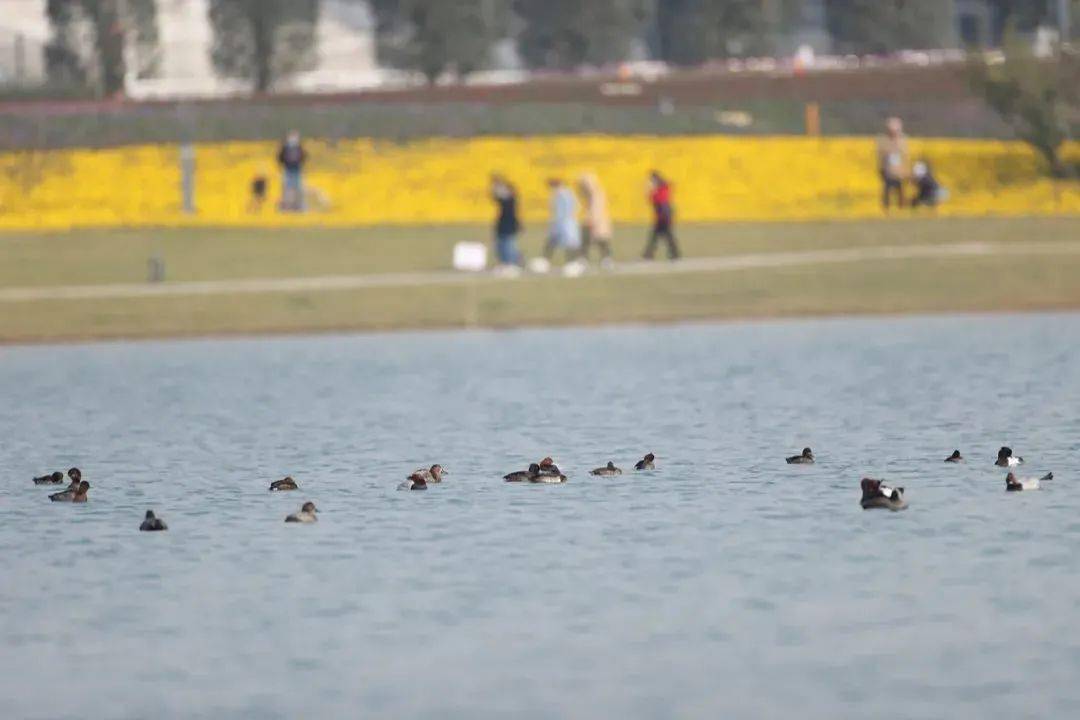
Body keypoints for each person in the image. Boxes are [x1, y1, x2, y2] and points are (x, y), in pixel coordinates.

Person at [578, 173, 613, 267]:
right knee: (588, 240)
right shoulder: (591, 194)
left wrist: (592, 220)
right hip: (594, 219)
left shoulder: (596, 194)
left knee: (600, 240)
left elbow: (596, 208)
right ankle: (585, 258)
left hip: (597, 220)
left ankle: (605, 259)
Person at [643, 170, 679, 260]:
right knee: (660, 236)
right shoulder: (661, 189)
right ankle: (649, 253)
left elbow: (659, 201)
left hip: (663, 217)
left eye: (652, 180)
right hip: (662, 216)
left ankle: (650, 254)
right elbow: (652, 199)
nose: (650, 182)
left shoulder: (661, 189)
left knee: (664, 236)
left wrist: (650, 191)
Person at [544, 178, 581, 263]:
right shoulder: (556, 194)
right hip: (559, 222)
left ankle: (573, 261)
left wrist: (570, 217)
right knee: (552, 240)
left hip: (567, 222)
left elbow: (575, 206)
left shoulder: (566, 193)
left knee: (570, 242)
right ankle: (546, 260)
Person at [876, 117, 910, 210]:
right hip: (888, 172)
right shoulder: (884, 141)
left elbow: (905, 157)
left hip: (899, 172)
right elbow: (881, 156)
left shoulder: (902, 140)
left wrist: (905, 171)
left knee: (901, 191)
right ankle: (886, 209)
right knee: (887, 190)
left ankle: (902, 209)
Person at [490, 175, 522, 267]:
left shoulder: (510, 199)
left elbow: (501, 195)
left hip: (509, 225)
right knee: (501, 246)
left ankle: (513, 263)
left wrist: (498, 185)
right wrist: (496, 185)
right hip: (502, 225)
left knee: (509, 245)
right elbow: (496, 196)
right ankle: (505, 263)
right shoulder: (505, 199)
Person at [277, 130, 307, 212]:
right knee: (288, 188)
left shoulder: (297, 147)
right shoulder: (288, 147)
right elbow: (280, 157)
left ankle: (296, 206)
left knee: (295, 188)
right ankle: (288, 206)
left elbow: (303, 156)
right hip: (290, 169)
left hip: (294, 169)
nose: (293, 139)